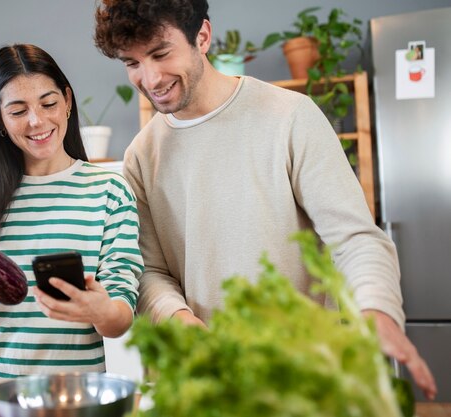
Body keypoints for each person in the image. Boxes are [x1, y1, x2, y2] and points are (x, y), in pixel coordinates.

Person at [94, 0, 437, 399]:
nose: (150, 78)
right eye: (131, 63)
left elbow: (355, 237)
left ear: (201, 37)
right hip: (203, 381)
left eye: (160, 53)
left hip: (301, 377)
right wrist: (178, 317)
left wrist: (376, 308)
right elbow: (150, 271)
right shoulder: (142, 155)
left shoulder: (289, 116)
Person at [0, 43, 143, 378]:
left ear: (67, 102)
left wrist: (101, 308)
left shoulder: (110, 192)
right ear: (0, 120)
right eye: (18, 111)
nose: (37, 121)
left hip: (71, 397)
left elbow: (119, 321)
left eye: (48, 103)